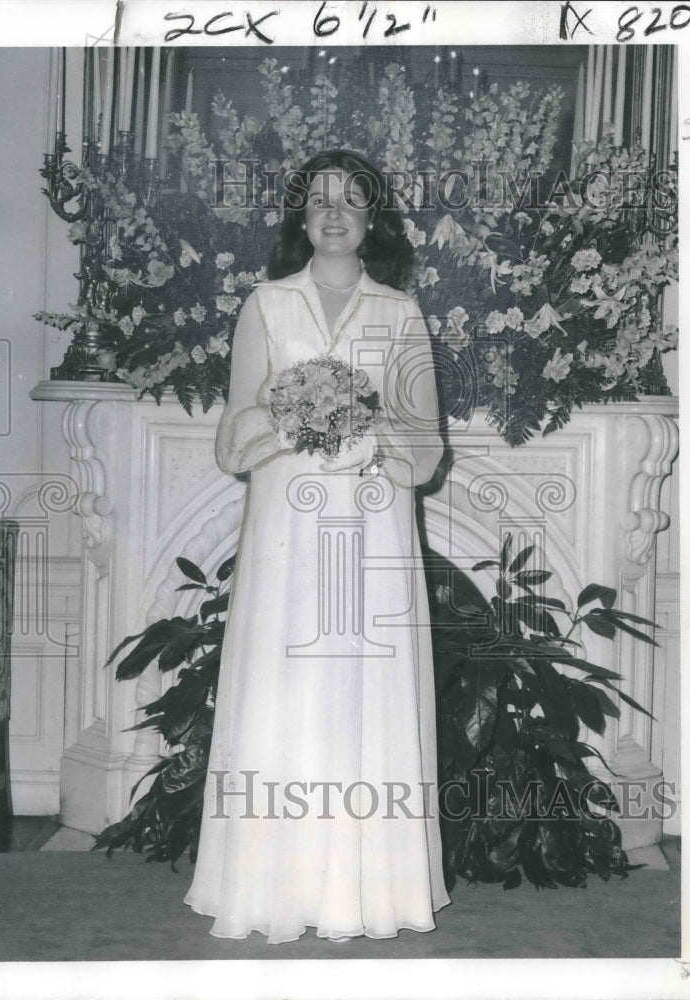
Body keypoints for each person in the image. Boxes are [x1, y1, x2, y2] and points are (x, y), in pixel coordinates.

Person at [184, 149, 451, 944]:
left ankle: (369, 893)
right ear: (301, 218)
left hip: (370, 523)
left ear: (373, 218)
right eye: (319, 201)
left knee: (364, 694)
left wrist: (369, 432)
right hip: (286, 532)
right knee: (284, 687)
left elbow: (428, 445)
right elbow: (232, 440)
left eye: (351, 201)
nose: (334, 214)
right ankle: (272, 890)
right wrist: (297, 417)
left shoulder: (399, 312)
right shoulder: (266, 306)